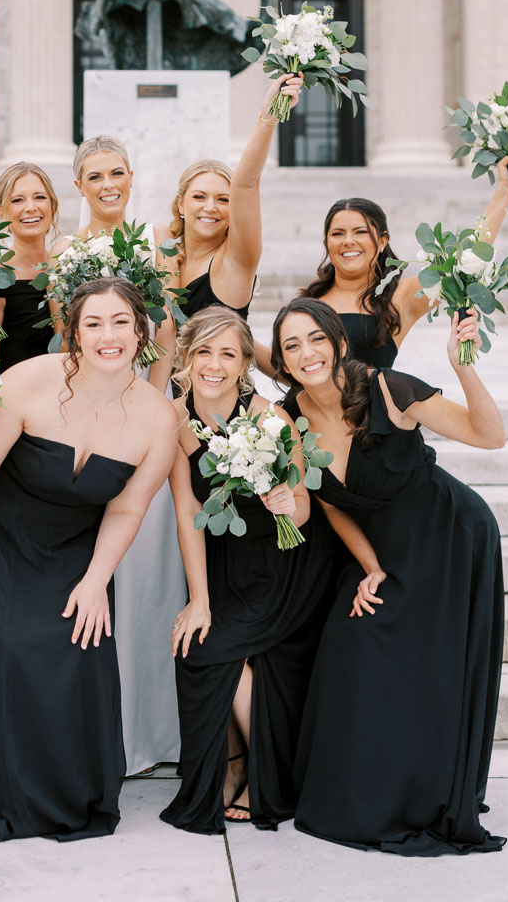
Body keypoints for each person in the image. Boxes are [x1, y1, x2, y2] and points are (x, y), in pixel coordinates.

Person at [0, 278, 177, 841]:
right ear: (72, 334)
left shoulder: (157, 418)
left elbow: (126, 512)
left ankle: (63, 793)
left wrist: (96, 580)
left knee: (78, 643)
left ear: (141, 331)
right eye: (94, 324)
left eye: (121, 323)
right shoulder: (30, 379)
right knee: (7, 642)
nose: (109, 336)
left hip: (69, 547)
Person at [272, 298, 506, 856]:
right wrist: (372, 567)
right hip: (382, 549)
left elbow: (489, 436)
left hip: (448, 535)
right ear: (281, 360)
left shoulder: (388, 388)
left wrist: (461, 364)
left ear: (339, 343)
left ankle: (422, 792)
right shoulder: (287, 416)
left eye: (315, 339)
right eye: (291, 345)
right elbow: (329, 506)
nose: (306, 353)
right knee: (353, 645)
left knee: (426, 663)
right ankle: (364, 793)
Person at [159, 307, 335, 835]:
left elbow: (304, 505)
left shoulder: (268, 417)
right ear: (187, 358)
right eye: (204, 352)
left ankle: (265, 772)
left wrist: (287, 500)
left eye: (228, 354)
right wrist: (199, 598)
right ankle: (237, 767)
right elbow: (189, 514)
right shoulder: (175, 419)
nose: (215, 364)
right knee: (196, 639)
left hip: (287, 559)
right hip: (227, 561)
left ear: (243, 365)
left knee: (210, 650)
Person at [51, 135, 184, 775]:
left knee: (150, 578)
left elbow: (167, 330)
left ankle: (152, 732)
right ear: (79, 186)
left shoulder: (156, 245)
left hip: (144, 416)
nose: (108, 184)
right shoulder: (65, 254)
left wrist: (150, 414)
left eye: (118, 172)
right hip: (88, 423)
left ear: (133, 176)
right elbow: (63, 339)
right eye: (95, 175)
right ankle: (103, 728)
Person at [252, 155, 508, 374]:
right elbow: (285, 369)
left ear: (383, 240)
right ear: (327, 243)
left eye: (360, 232)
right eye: (337, 234)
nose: (348, 241)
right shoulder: (309, 301)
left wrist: (504, 193)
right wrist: (237, 334)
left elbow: (466, 259)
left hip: (372, 426)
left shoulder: (402, 295)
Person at [154, 74, 304, 340]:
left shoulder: (236, 260)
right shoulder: (164, 254)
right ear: (181, 204)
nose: (210, 207)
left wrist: (267, 118)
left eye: (223, 199)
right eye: (199, 197)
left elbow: (246, 184)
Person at [0, 161, 59, 370]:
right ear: (1, 214)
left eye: (39, 197)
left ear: (52, 206)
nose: (31, 207)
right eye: (18, 200)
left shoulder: (67, 267)